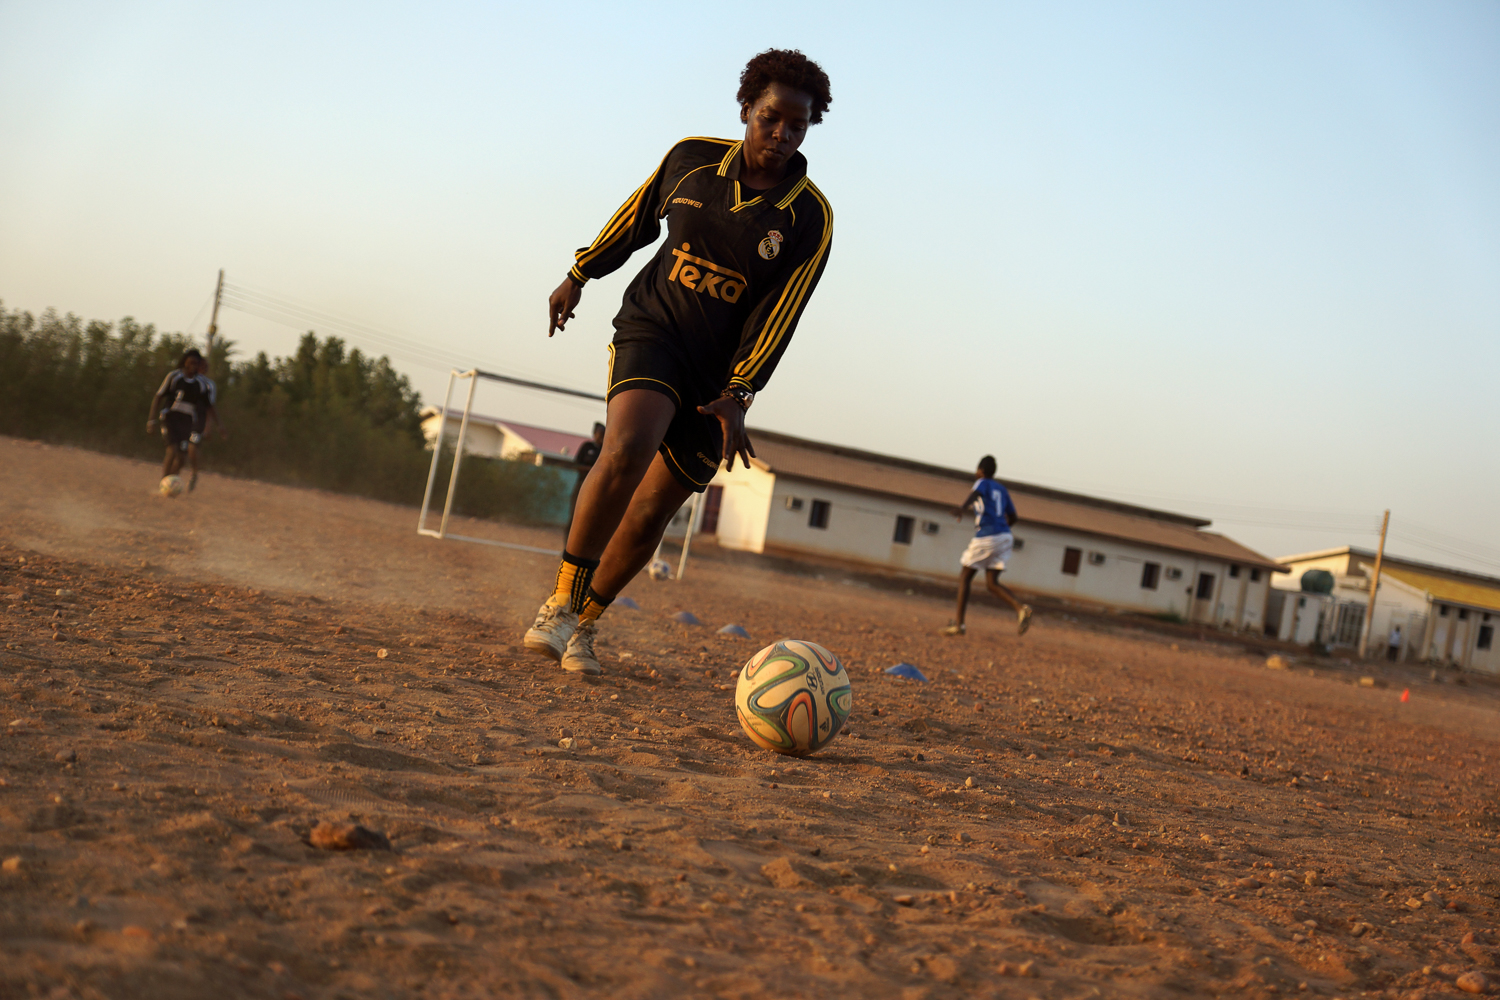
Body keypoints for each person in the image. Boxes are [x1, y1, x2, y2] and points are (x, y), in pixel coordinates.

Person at [524, 48, 834, 675]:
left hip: (718, 378)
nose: (782, 134)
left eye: (797, 126)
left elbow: (780, 313)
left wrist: (740, 393)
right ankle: (558, 604)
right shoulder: (691, 159)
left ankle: (584, 625)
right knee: (628, 447)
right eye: (771, 118)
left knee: (650, 514)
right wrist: (580, 272)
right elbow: (635, 220)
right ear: (746, 109)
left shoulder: (810, 216)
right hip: (654, 329)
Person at [943, 455, 1033, 637]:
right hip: (1005, 536)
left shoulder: (982, 482)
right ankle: (1020, 608)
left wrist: (962, 508)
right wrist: (1001, 530)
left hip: (987, 536)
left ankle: (959, 625)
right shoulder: (1002, 489)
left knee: (965, 576)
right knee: (992, 583)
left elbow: (975, 494)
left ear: (981, 471)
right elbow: (1014, 517)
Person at [146, 348, 223, 489]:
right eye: (191, 362)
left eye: (196, 363)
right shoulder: (174, 376)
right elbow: (158, 396)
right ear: (185, 362)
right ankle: (164, 483)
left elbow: (210, 406)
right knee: (172, 450)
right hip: (170, 418)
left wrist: (219, 425)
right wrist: (151, 420)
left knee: (182, 458)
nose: (193, 366)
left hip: (187, 421)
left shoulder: (201, 383)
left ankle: (171, 482)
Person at [563, 422, 606, 537]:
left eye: (604, 434)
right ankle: (568, 543)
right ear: (594, 434)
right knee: (574, 514)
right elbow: (576, 465)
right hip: (582, 484)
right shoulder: (587, 446)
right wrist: (592, 470)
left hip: (598, 487)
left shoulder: (605, 449)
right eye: (600, 433)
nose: (601, 436)